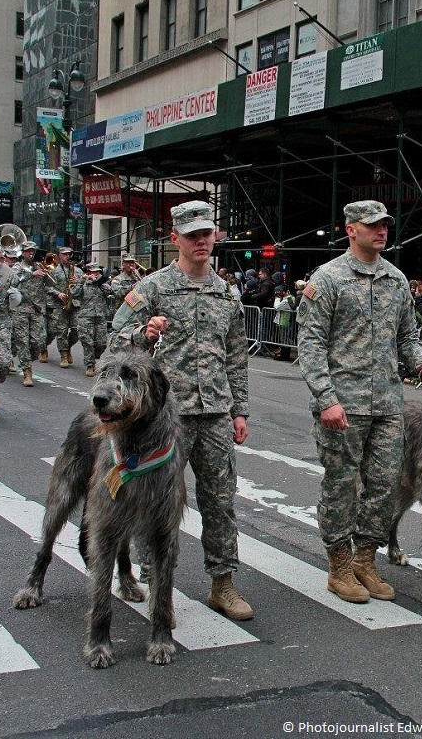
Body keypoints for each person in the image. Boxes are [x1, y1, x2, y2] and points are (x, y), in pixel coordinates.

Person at [110, 199, 253, 620]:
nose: (201, 241)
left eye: (207, 234)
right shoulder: (153, 288)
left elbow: (236, 356)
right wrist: (144, 332)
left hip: (215, 415)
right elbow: (115, 341)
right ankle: (156, 585)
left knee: (220, 499)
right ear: (176, 240)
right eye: (192, 235)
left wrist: (240, 410)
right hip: (163, 419)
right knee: (158, 502)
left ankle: (222, 584)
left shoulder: (227, 292)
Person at [296, 200, 422, 604]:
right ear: (351, 230)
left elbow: (407, 338)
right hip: (342, 406)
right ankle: (339, 566)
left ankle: (365, 558)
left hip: (387, 406)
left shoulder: (395, 280)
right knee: (342, 487)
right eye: (373, 225)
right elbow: (309, 346)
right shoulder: (327, 279)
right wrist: (326, 399)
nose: (382, 232)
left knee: (384, 486)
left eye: (385, 226)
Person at [0, 236, 22, 421]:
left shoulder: (8, 273)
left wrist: (16, 296)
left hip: (1, 323)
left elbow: (18, 294)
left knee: (2, 363)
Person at [12, 241, 48, 387]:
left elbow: (52, 284)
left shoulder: (40, 266)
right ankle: (27, 372)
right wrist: (31, 274)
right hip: (20, 309)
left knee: (38, 342)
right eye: (28, 251)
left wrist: (47, 272)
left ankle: (15, 355)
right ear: (23, 253)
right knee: (23, 341)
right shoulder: (17, 267)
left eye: (33, 251)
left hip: (37, 309)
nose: (31, 253)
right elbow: (13, 282)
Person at [44, 247, 83, 368]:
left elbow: (84, 288)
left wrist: (79, 281)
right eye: (64, 254)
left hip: (74, 304)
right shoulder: (54, 270)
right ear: (59, 256)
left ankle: (68, 347)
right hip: (59, 304)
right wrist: (58, 293)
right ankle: (63, 355)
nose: (67, 256)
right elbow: (46, 286)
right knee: (61, 331)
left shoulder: (78, 271)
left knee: (77, 330)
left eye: (69, 254)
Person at [78, 264, 112, 376]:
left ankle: (94, 356)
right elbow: (74, 294)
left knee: (101, 343)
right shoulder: (83, 283)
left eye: (98, 272)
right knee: (87, 342)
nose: (96, 274)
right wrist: (81, 281)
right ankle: (90, 365)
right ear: (88, 273)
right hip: (86, 316)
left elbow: (109, 291)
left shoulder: (103, 284)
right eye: (94, 272)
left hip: (100, 316)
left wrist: (98, 282)